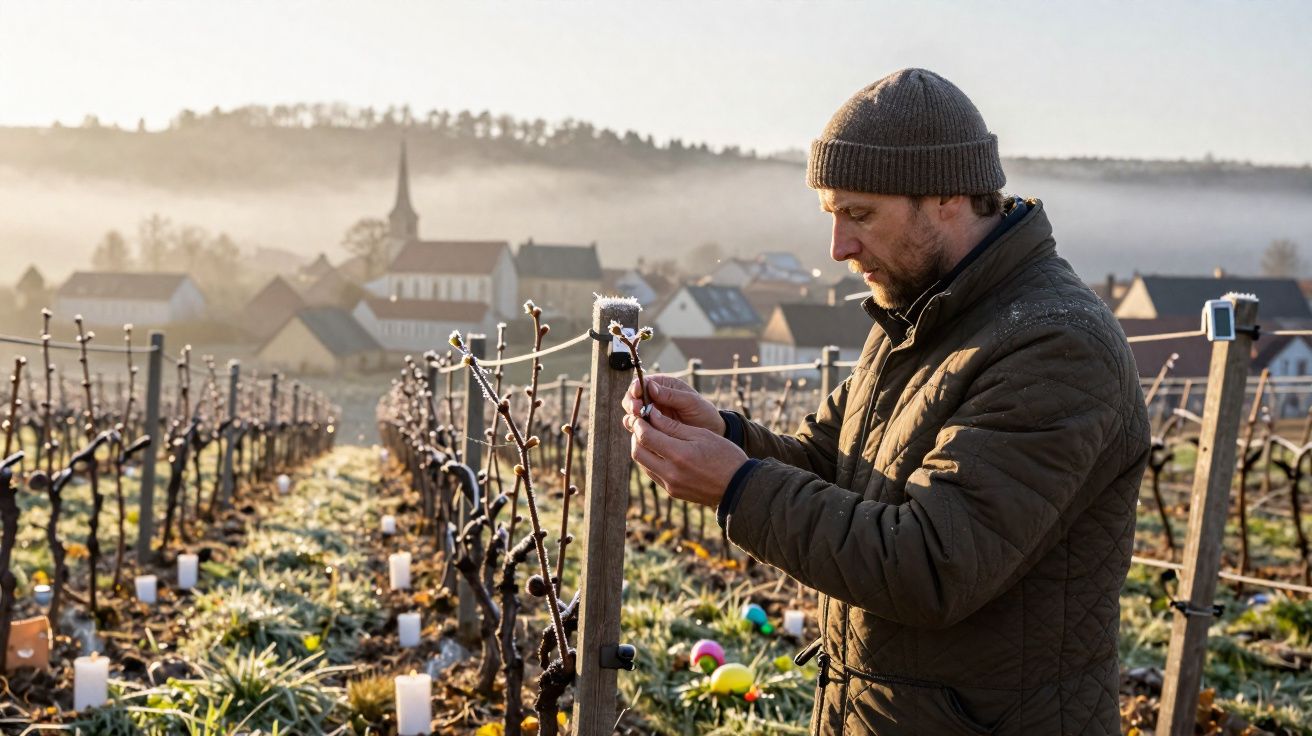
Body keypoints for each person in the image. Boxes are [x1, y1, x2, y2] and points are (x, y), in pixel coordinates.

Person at [621, 68, 1150, 735]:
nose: (838, 247)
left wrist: (736, 488)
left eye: (859, 214)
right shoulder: (922, 316)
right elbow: (831, 463)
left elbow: (931, 564)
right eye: (832, 215)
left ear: (948, 196)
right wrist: (727, 436)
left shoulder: (1056, 345)